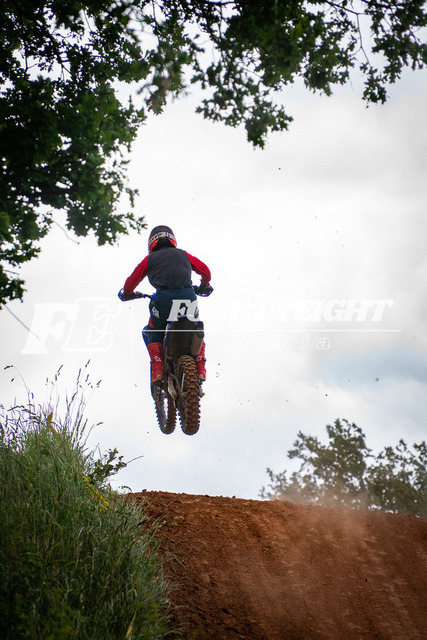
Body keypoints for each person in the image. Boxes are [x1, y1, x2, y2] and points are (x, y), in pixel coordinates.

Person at [119, 225, 212, 384]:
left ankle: (157, 367)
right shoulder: (183, 254)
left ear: (151, 242)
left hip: (164, 300)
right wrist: (204, 285)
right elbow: (205, 271)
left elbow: (131, 282)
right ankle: (200, 365)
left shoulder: (149, 259)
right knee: (195, 325)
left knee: (152, 329)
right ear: (172, 239)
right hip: (188, 297)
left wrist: (128, 293)